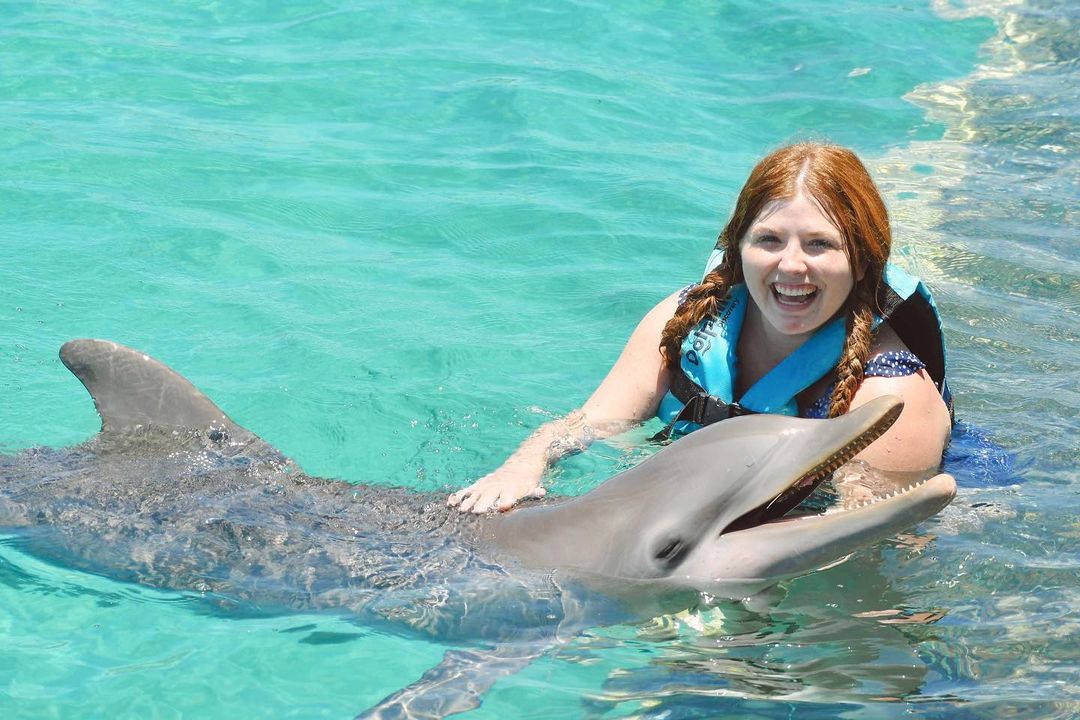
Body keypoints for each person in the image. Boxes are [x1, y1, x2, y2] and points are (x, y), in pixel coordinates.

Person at [448, 142, 953, 514]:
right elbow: (591, 423)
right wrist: (523, 466)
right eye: (770, 239)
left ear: (862, 263)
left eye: (820, 244)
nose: (792, 266)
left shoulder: (891, 395)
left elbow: (865, 537)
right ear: (738, 250)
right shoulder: (687, 321)